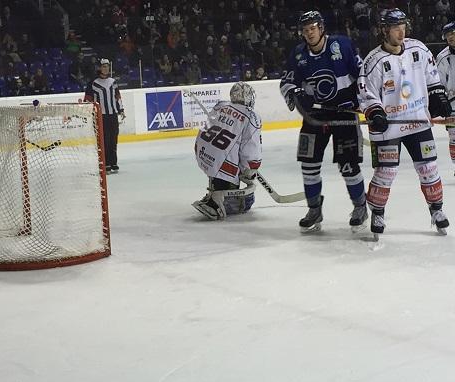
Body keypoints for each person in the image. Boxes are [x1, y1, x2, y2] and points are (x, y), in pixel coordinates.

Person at [358, 9, 451, 236]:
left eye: (403, 26)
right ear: (384, 30)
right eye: (395, 27)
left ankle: (436, 210)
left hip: (418, 121)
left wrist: (438, 95)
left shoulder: (418, 49)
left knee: (428, 168)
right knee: (385, 173)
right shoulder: (373, 61)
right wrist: (375, 112)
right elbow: (366, 94)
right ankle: (378, 212)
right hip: (388, 128)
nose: (401, 32)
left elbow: (432, 76)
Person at [279, 11, 367, 233]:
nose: (309, 33)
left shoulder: (341, 45)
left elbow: (363, 75)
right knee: (308, 165)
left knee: (348, 166)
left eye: (312, 28)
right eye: (305, 30)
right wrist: (297, 93)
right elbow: (287, 83)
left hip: (344, 113)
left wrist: (367, 104)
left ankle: (360, 206)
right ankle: (314, 209)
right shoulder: (298, 54)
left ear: (321, 28)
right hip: (315, 117)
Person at [192, 81, 262, 220]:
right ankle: (217, 202)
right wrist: (251, 168)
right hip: (224, 164)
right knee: (248, 201)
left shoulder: (220, 106)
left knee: (219, 158)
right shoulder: (251, 116)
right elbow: (250, 147)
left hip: (202, 153)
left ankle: (214, 191)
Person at [84, 58, 125, 173]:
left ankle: (113, 162)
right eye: (103, 66)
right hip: (101, 116)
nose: (106, 68)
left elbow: (117, 97)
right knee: (104, 140)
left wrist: (121, 109)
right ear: (99, 68)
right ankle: (105, 163)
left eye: (107, 66)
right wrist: (89, 112)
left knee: (113, 139)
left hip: (112, 115)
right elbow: (88, 99)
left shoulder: (113, 82)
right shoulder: (93, 83)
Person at [436, 21, 455, 176]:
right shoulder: (442, 57)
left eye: (453, 33)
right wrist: (443, 102)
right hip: (453, 104)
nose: (451, 37)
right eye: (448, 35)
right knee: (454, 138)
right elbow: (438, 83)